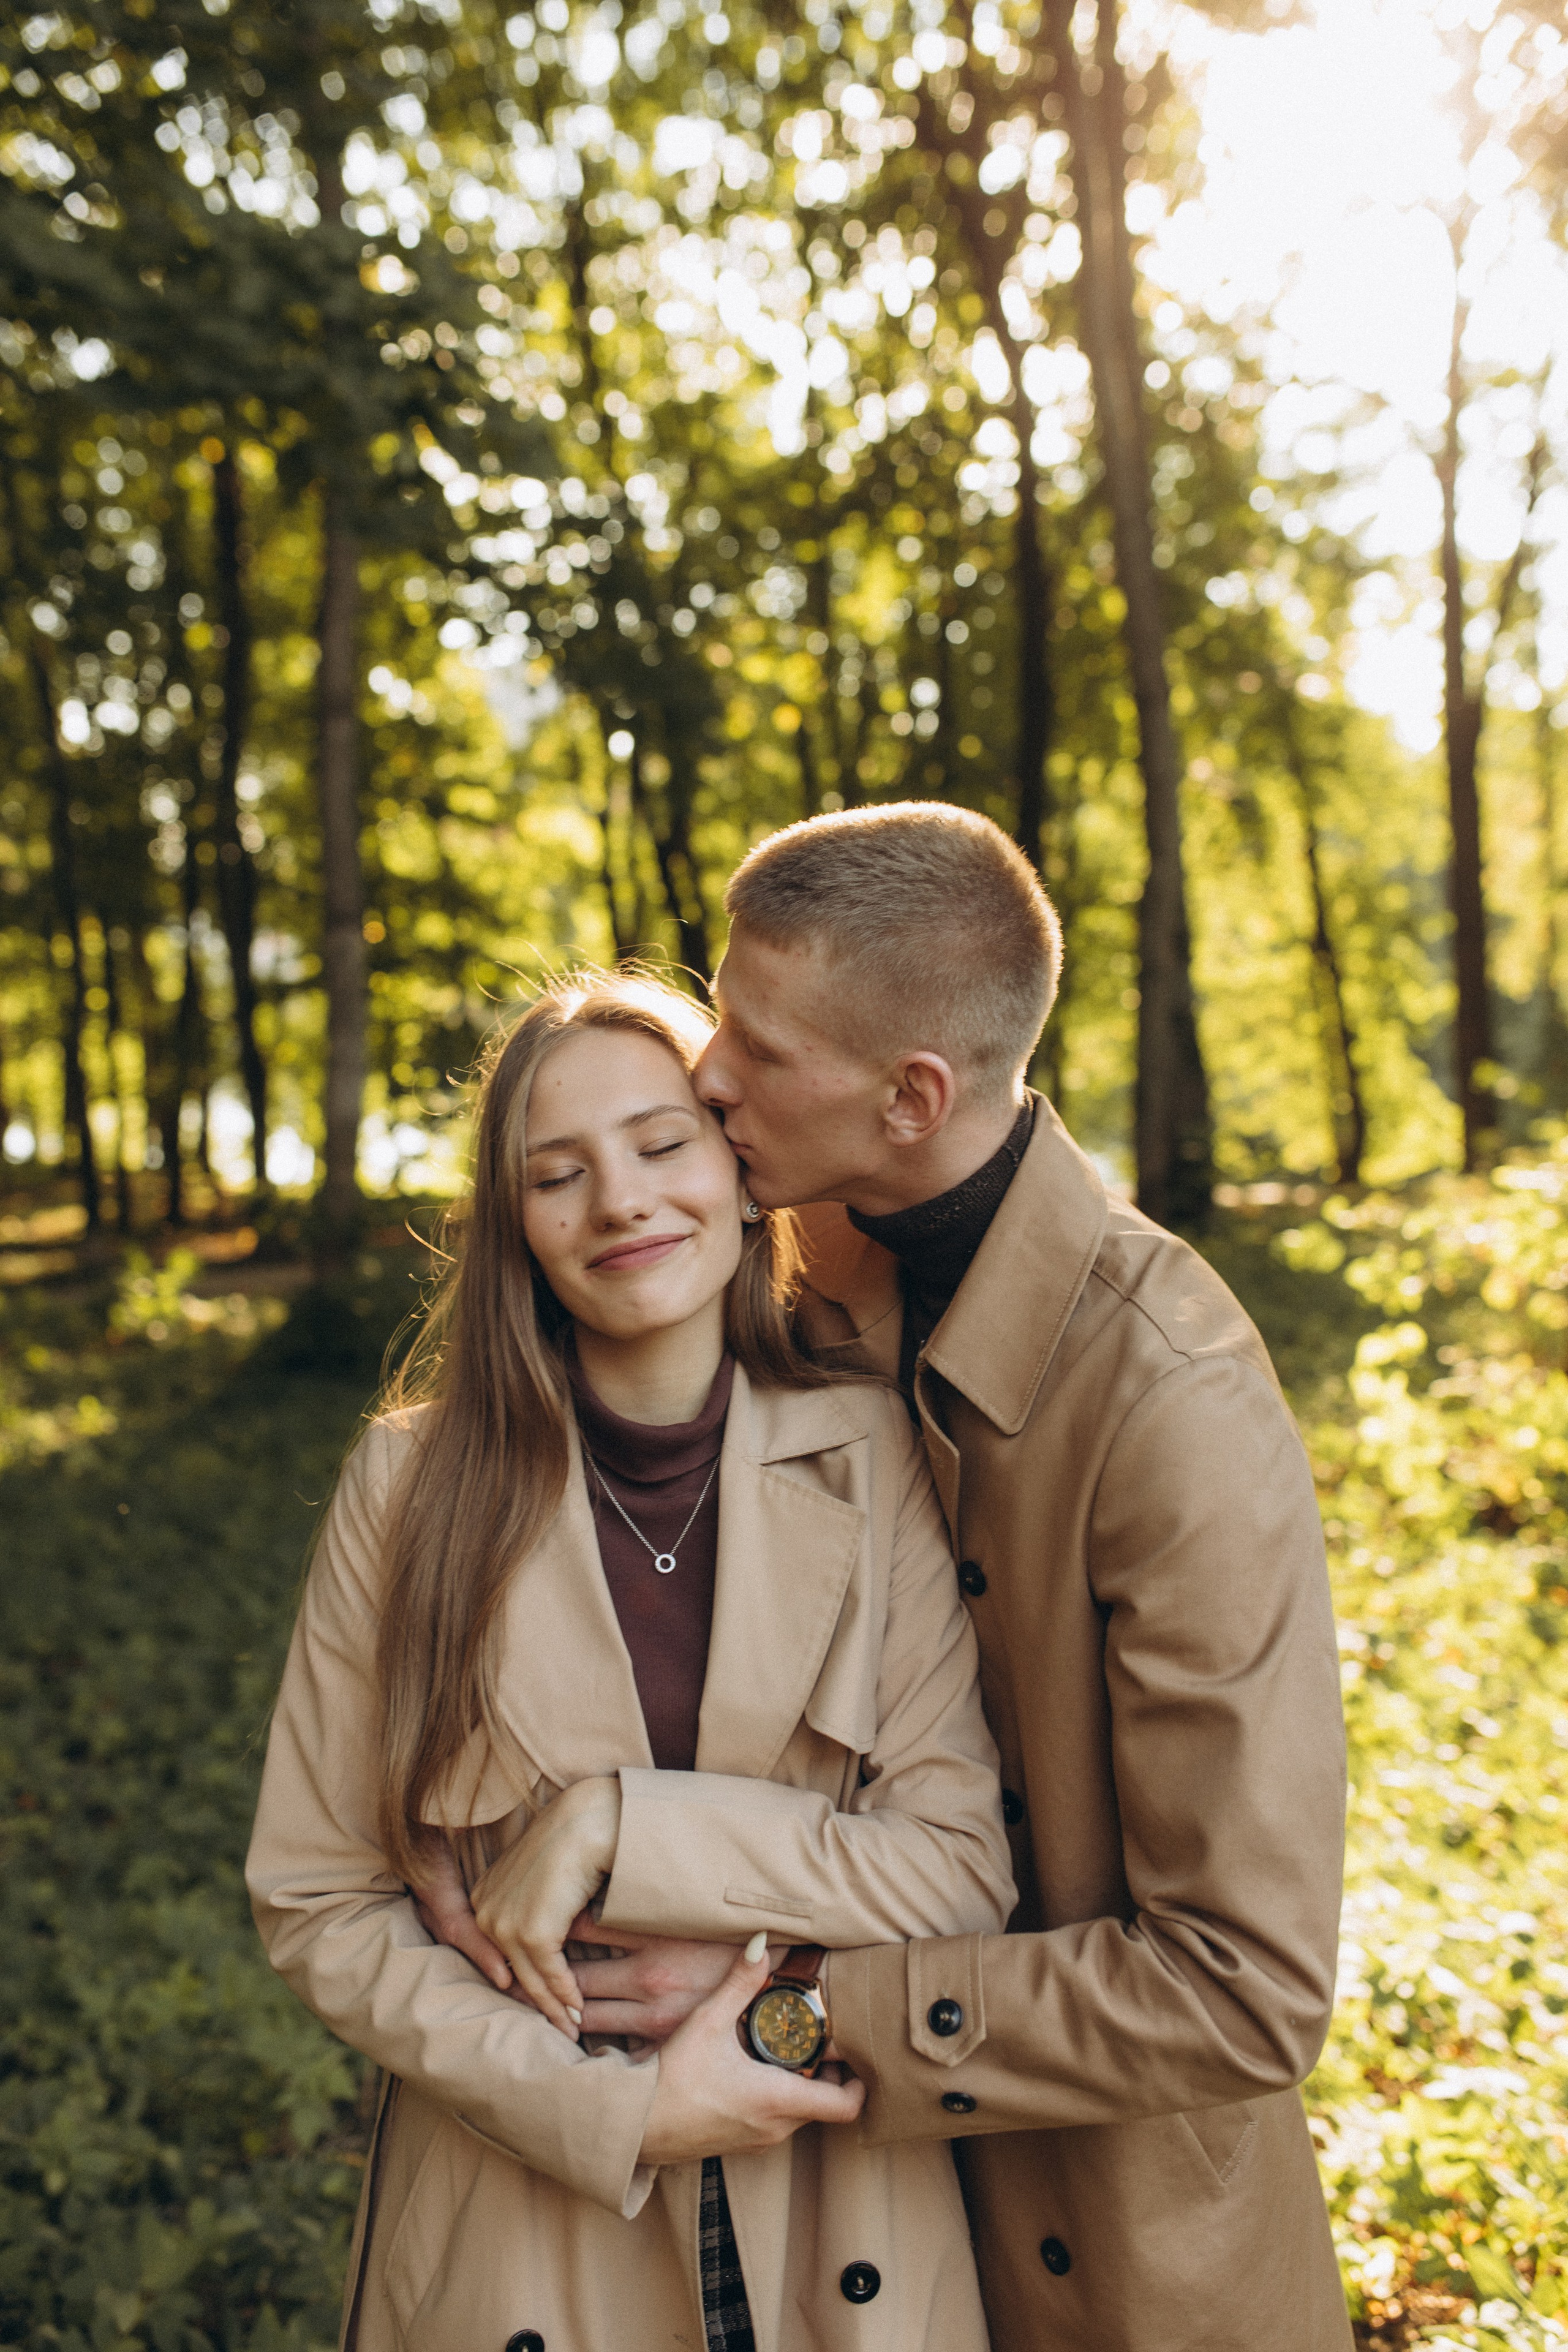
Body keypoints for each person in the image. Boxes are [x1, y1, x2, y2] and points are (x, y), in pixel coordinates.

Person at [425, 805, 1354, 2352]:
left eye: (760, 1048)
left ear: (911, 1097)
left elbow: (1244, 1988)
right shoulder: (793, 1274)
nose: (706, 1069)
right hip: (824, 2227)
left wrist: (792, 2008)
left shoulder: (1168, 1399)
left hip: (1112, 2252)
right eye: (719, 1015)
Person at [245, 966, 1015, 2352]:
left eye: (661, 1144)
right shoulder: (407, 1489)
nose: (621, 1203)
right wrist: (613, 2108)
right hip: (521, 2228)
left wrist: (642, 1844)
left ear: (738, 1171)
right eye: (558, 1175)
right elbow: (319, 1899)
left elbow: (958, 1864)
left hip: (835, 2221)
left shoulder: (873, 1454)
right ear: (516, 1228)